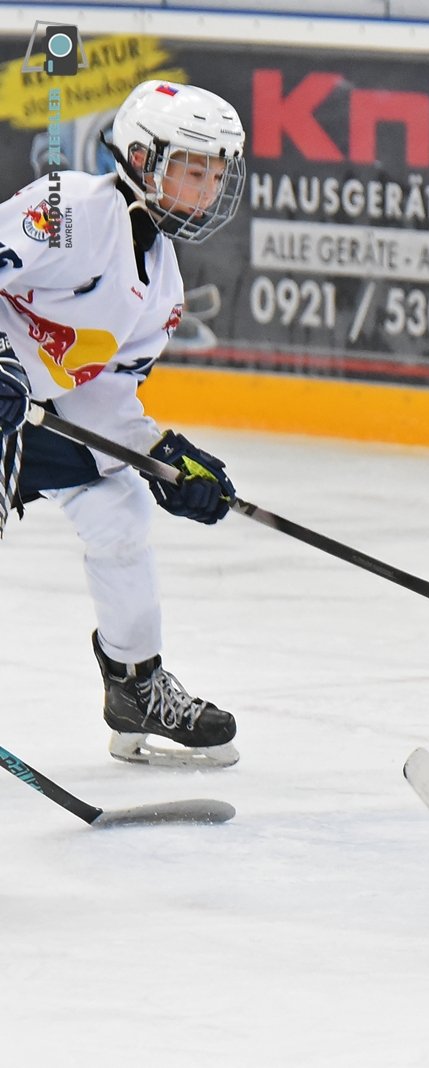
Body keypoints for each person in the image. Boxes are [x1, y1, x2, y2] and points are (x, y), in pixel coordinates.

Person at [0, 80, 247, 768]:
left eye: (215, 175)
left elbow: (101, 393)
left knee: (120, 511)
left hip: (29, 413)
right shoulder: (70, 208)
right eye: (193, 171)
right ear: (142, 158)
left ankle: (135, 686)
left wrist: (160, 456)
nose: (205, 190)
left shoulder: (161, 284)